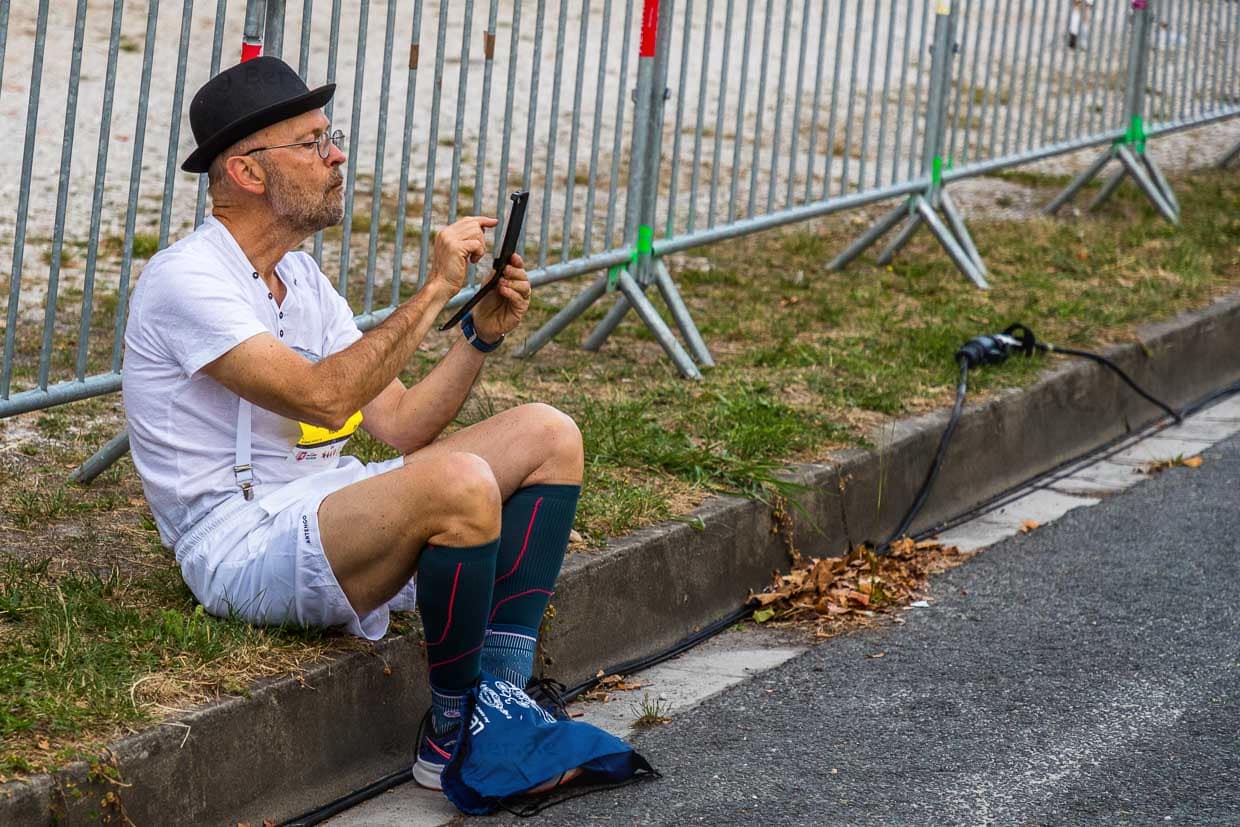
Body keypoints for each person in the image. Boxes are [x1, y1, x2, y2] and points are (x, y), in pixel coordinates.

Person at [120, 57, 584, 792]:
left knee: (550, 431)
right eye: (311, 143)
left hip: (329, 506)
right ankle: (455, 731)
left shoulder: (300, 276)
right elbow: (324, 398)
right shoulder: (186, 278)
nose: (336, 155)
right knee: (459, 481)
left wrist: (480, 335)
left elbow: (399, 423)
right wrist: (435, 289)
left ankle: (501, 693)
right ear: (246, 172)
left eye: (329, 137)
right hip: (236, 543)